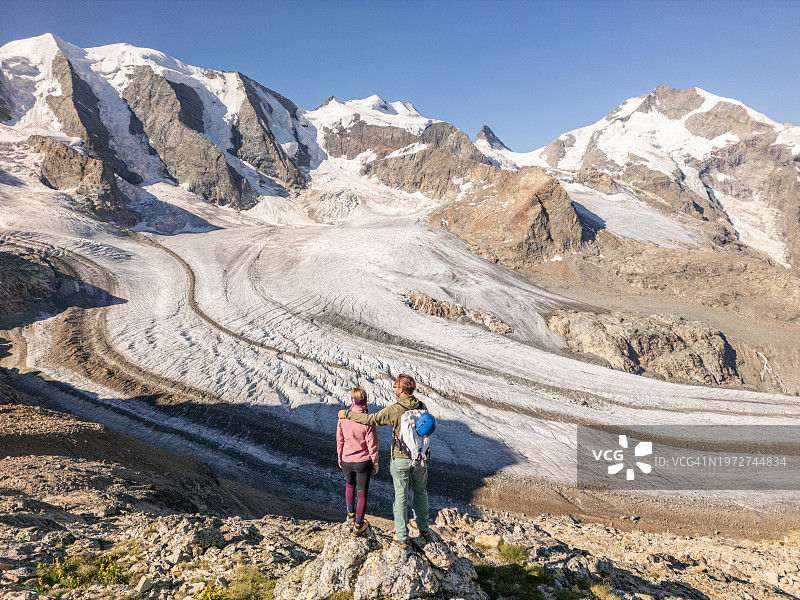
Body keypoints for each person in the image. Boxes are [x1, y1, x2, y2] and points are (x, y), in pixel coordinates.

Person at [338, 374, 429, 547]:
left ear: (401, 390)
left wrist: (347, 414)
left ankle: (402, 536)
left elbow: (370, 420)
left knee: (401, 496)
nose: (394, 389)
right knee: (420, 491)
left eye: (395, 386)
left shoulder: (395, 409)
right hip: (420, 457)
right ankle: (423, 526)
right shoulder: (421, 405)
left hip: (401, 458)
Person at [337, 386, 379, 536]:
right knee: (362, 493)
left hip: (347, 460)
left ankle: (350, 516)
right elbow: (372, 445)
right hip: (363, 462)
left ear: (352, 400)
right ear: (365, 400)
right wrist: (375, 462)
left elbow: (339, 440)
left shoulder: (343, 419)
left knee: (349, 486)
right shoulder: (368, 421)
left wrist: (339, 457)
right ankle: (358, 525)